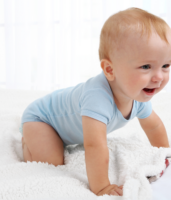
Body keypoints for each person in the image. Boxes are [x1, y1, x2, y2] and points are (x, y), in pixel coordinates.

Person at [20, 8, 171, 196]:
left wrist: (165, 153)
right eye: (146, 66)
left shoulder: (137, 94)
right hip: (42, 120)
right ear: (109, 70)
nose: (158, 77)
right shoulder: (97, 98)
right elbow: (95, 145)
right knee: (51, 162)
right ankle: (26, 141)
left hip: (61, 125)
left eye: (165, 65)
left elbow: (153, 127)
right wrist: (101, 186)